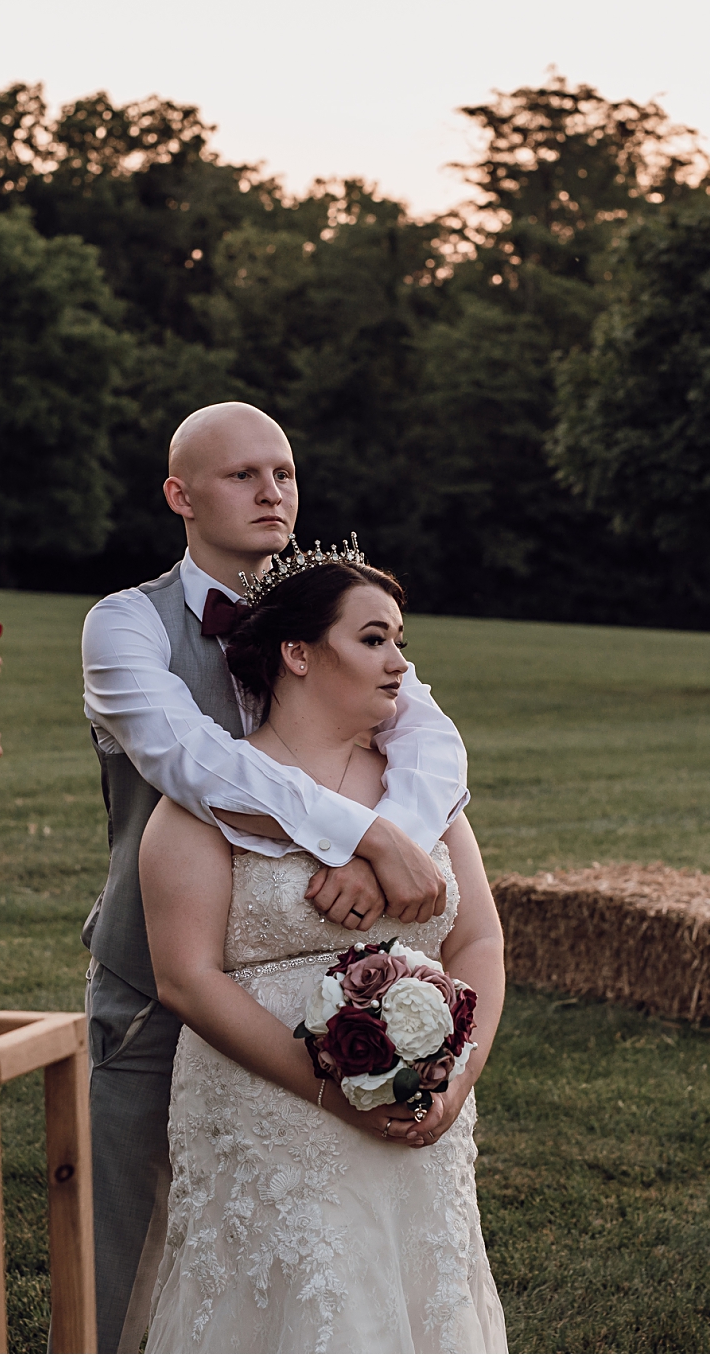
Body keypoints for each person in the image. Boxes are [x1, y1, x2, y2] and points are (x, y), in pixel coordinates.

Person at [80, 402, 471, 1352]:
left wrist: (387, 853)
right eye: (241, 475)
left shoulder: (332, 618)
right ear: (179, 495)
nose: (271, 491)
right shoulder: (124, 626)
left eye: (285, 473)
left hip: (330, 979)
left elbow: (436, 748)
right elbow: (194, 763)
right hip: (155, 984)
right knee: (123, 1261)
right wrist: (361, 839)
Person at [138, 549, 507, 1352]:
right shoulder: (208, 803)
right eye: (374, 639)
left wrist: (455, 1079)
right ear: (298, 654)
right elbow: (187, 977)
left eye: (401, 640)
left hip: (424, 1119)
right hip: (272, 1122)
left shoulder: (425, 790)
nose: (400, 662)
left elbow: (478, 937)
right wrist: (332, 1094)